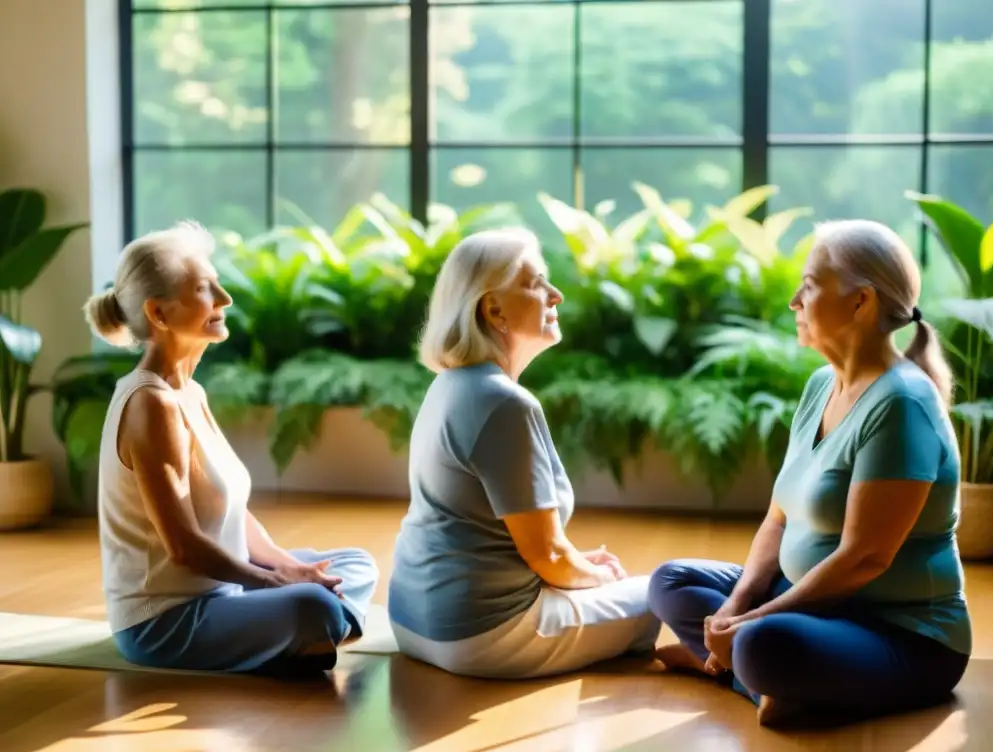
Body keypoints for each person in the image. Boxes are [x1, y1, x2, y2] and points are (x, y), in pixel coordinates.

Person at [648, 219, 971, 726]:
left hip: (899, 632)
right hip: (812, 606)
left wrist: (752, 622)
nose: (795, 301)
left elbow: (864, 559)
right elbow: (778, 519)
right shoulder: (822, 384)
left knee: (764, 644)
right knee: (672, 580)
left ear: (860, 302)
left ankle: (741, 669)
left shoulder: (902, 403)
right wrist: (736, 606)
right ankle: (758, 679)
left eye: (810, 286)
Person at [82, 221, 379, 675]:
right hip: (167, 619)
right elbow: (182, 547)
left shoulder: (190, 392)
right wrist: (273, 579)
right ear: (158, 315)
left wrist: (287, 567)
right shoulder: (150, 404)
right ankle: (319, 629)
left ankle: (317, 635)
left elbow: (233, 513)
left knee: (354, 564)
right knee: (312, 605)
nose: (225, 299)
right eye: (204, 289)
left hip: (226, 589)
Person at [388, 227, 660, 679]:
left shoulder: (451, 386)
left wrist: (576, 563)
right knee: (670, 588)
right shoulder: (505, 403)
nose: (556, 296)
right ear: (493, 308)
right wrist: (601, 580)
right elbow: (548, 557)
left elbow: (503, 534)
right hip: (484, 636)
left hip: (412, 622)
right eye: (536, 284)